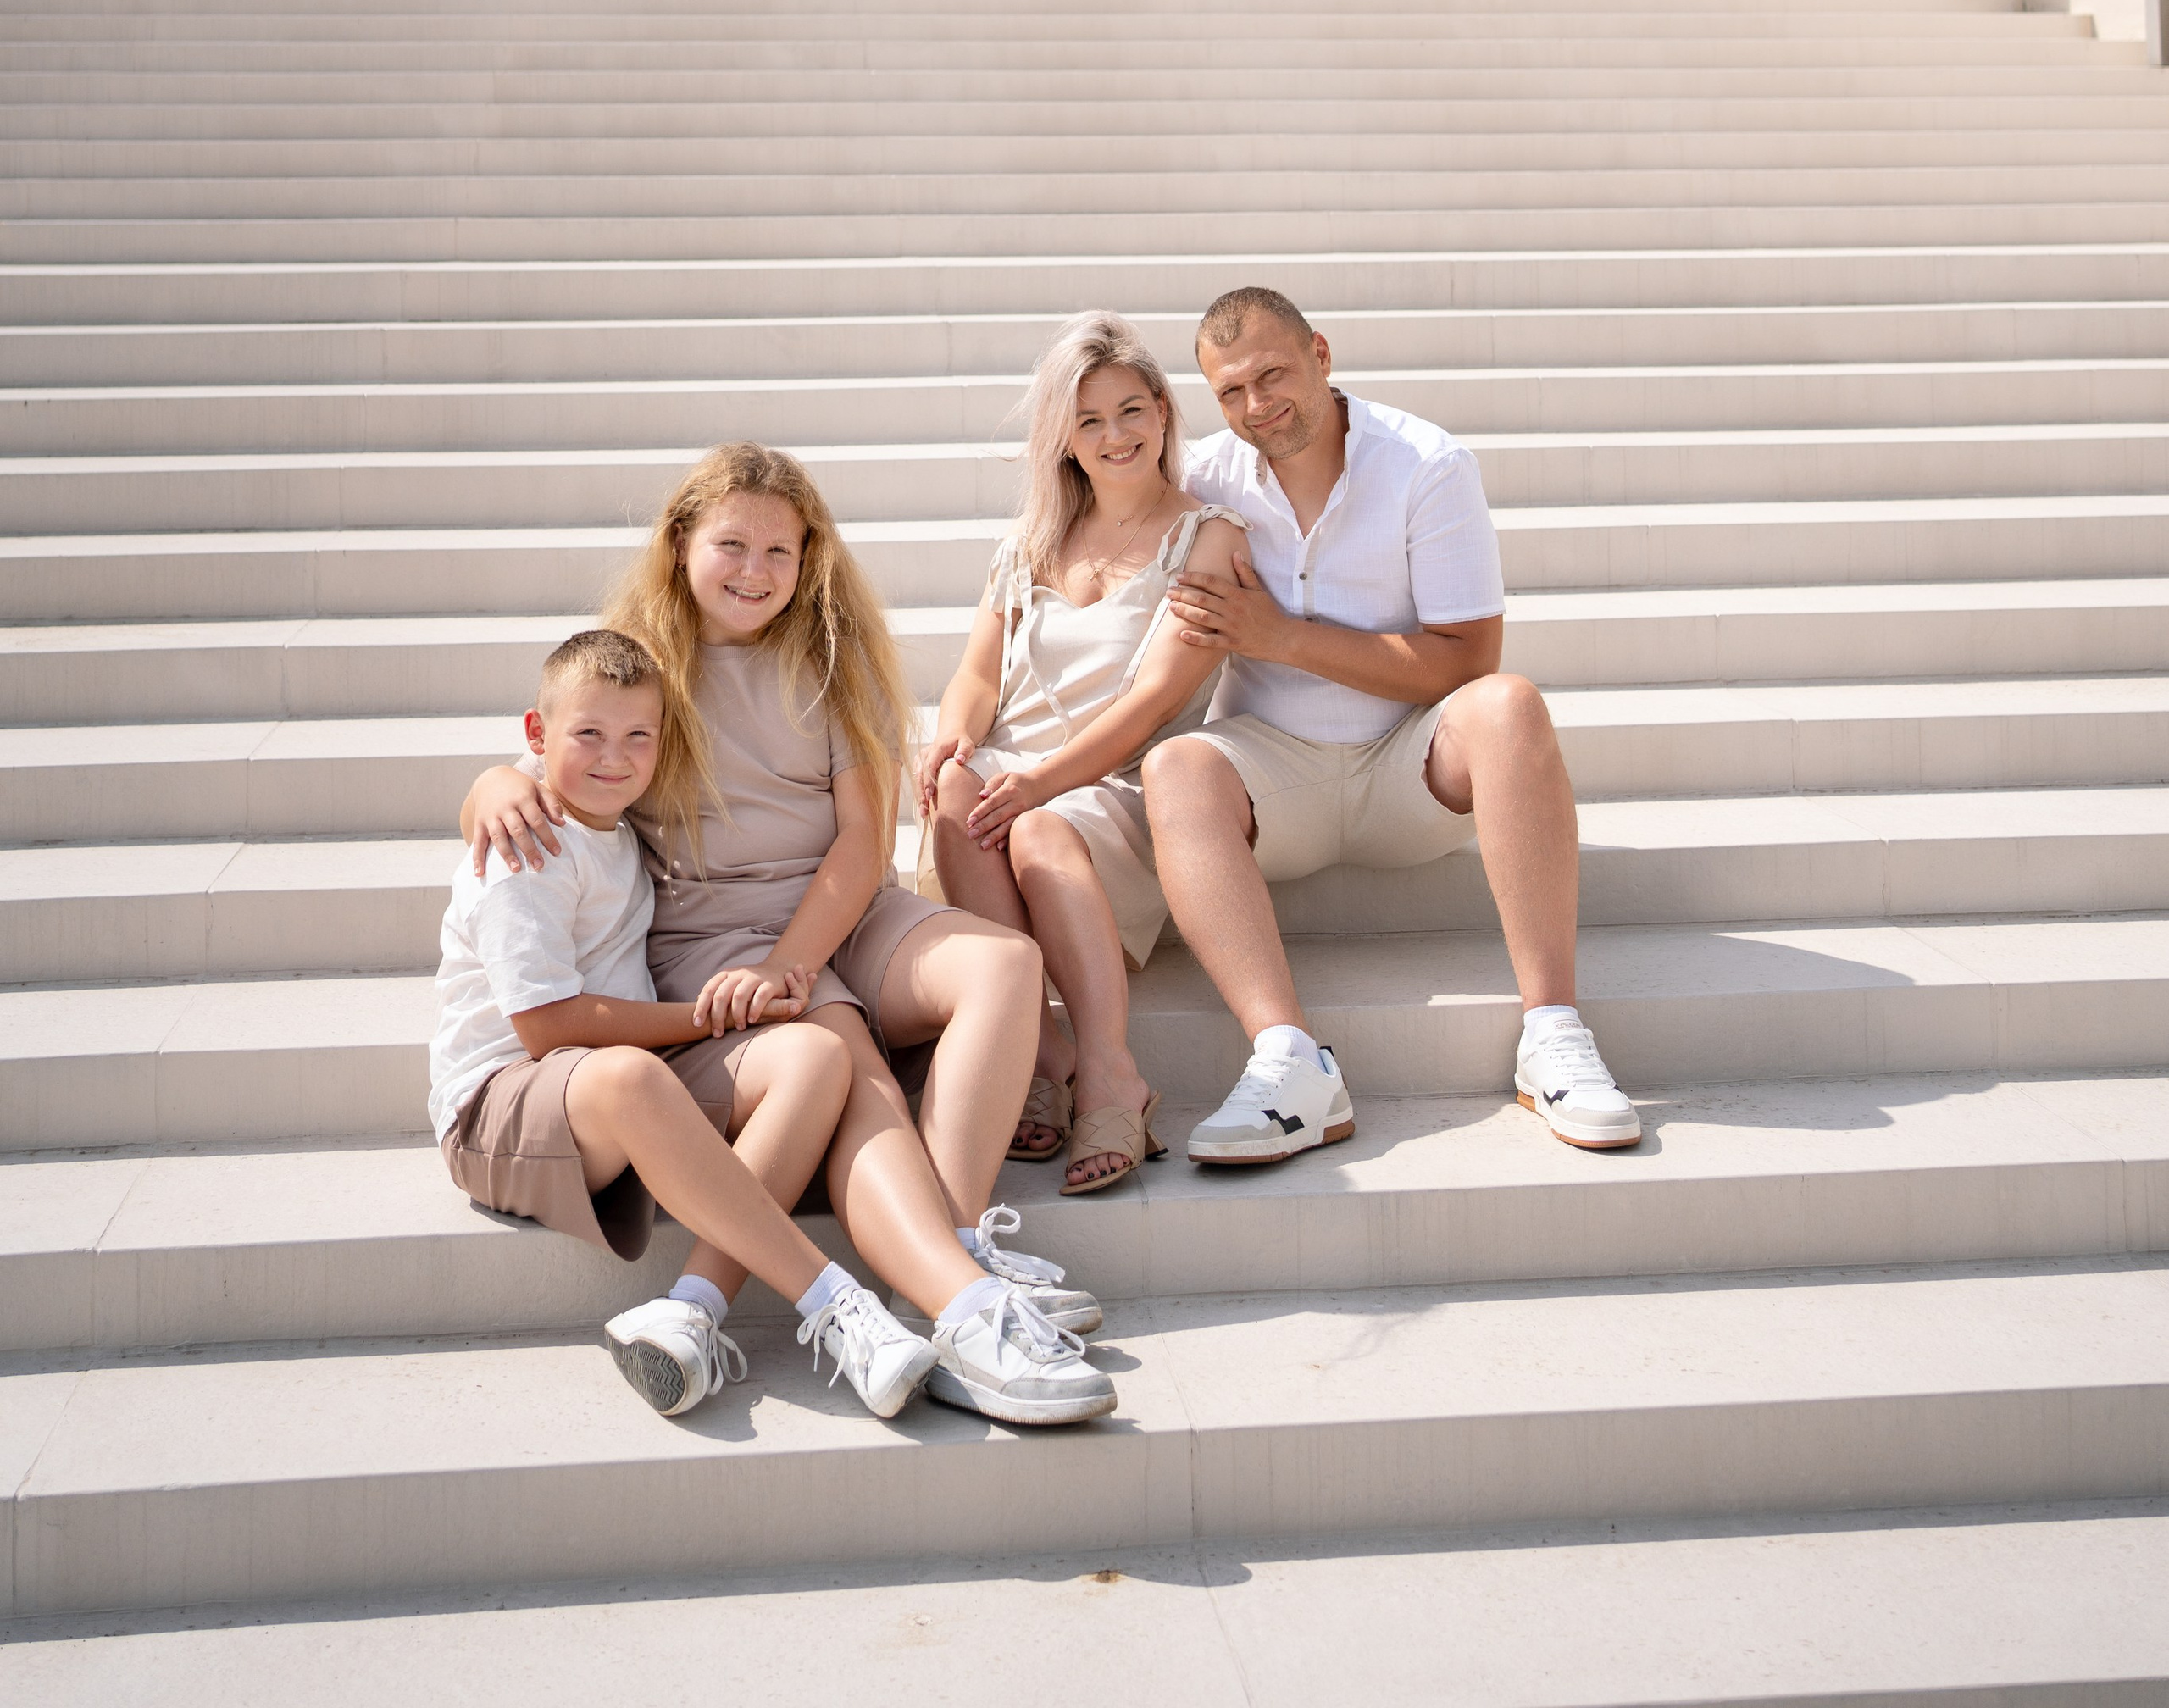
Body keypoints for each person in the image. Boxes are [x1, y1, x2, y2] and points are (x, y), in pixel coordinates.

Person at [458, 444, 1116, 1427]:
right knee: (844, 1058)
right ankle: (960, 1307)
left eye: (781, 549)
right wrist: (492, 783)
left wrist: (795, 961)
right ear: (681, 544)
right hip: (708, 928)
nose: (755, 571)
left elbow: (861, 843)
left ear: (810, 558)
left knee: (1005, 964)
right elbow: (559, 755)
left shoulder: (832, 654)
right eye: (731, 544)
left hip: (837, 910)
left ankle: (955, 1247)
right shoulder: (643, 655)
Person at [1142, 286, 1640, 1163]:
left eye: (1272, 374)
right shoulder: (1203, 482)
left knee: (1510, 703)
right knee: (1177, 767)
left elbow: (1465, 659)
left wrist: (1285, 639)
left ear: (1321, 355)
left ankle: (1553, 1033)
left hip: (1407, 769)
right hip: (1275, 779)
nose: (1256, 406)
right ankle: (1289, 1060)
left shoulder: (1425, 463)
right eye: (1229, 392)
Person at [430, 623, 940, 1422]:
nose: (613, 757)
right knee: (633, 1074)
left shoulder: (625, 827)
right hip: (500, 1108)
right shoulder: (526, 842)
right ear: (537, 736)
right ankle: (838, 1306)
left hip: (608, 1088)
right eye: (589, 734)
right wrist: (700, 1022)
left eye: (639, 737)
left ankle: (693, 1309)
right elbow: (545, 1030)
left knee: (812, 1054)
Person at [919, 314, 1246, 1195]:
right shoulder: (1026, 543)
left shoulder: (1208, 538)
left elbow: (1156, 703)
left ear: (1164, 416)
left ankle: (1107, 1071)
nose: (1116, 436)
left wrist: (1038, 783)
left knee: (1033, 829)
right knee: (956, 791)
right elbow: (975, 678)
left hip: (1123, 786)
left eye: (1133, 411)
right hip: (1017, 778)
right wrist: (953, 734)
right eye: (1090, 420)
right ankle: (1041, 1048)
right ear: (1063, 438)